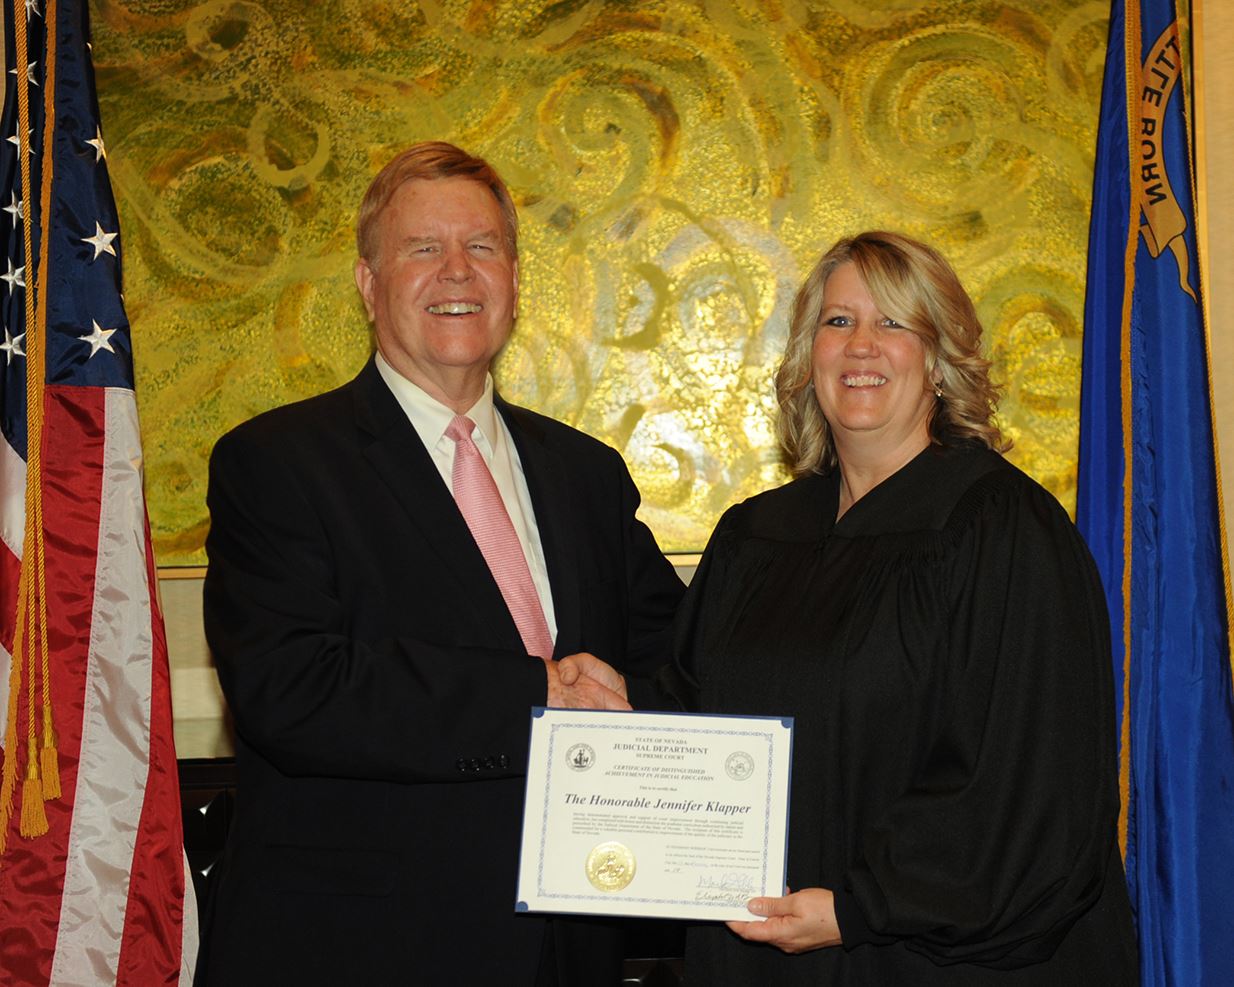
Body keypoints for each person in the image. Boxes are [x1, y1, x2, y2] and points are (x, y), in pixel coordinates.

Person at [196, 142, 684, 985]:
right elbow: (291, 689)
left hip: (568, 951)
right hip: (360, 948)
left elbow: (676, 658)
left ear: (516, 279)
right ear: (367, 283)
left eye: (483, 246)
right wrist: (536, 693)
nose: (457, 270)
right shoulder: (277, 463)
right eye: (423, 249)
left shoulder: (585, 472)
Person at [668, 231, 1139, 984]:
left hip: (931, 961)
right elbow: (696, 716)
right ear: (807, 353)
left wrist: (860, 906)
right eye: (838, 321)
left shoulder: (1003, 531)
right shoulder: (755, 537)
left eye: (893, 322)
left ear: (939, 356)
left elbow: (1028, 788)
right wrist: (615, 707)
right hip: (767, 950)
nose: (862, 346)